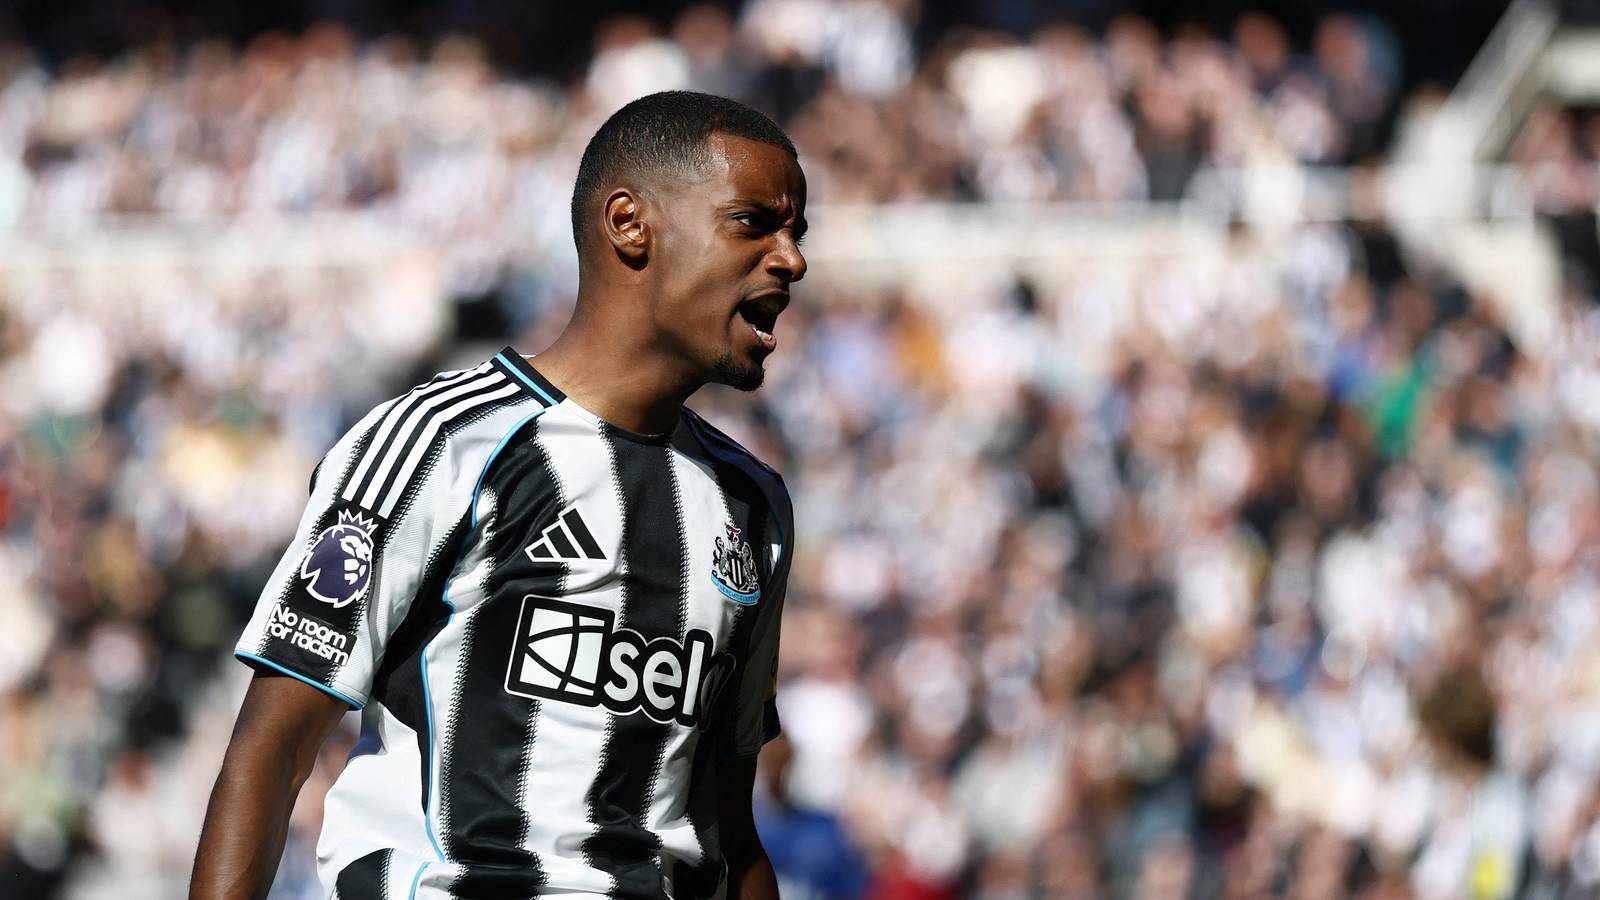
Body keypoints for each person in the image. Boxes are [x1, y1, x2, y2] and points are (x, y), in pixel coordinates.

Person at [190, 90, 807, 900]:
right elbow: (271, 753)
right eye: (753, 223)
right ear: (630, 224)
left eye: (797, 233)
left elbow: (730, 825)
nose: (791, 259)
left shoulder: (752, 506)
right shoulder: (438, 442)